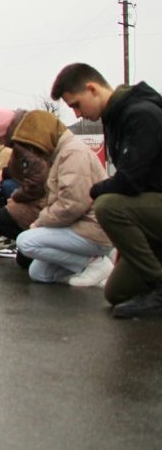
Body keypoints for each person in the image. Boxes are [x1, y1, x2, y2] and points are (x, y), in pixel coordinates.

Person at [51, 63, 162, 318]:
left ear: (92, 89)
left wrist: (94, 190)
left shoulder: (141, 114)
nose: (77, 114)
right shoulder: (114, 119)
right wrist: (127, 245)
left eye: (76, 105)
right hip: (153, 217)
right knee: (116, 294)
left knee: (107, 204)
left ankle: (159, 288)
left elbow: (129, 182)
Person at [8, 110, 113, 286]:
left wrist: (40, 222)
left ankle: (95, 264)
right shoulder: (61, 154)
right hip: (81, 227)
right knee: (38, 273)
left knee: (25, 241)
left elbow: (72, 205)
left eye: (33, 146)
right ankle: (94, 275)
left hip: (93, 229)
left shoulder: (72, 154)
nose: (34, 152)